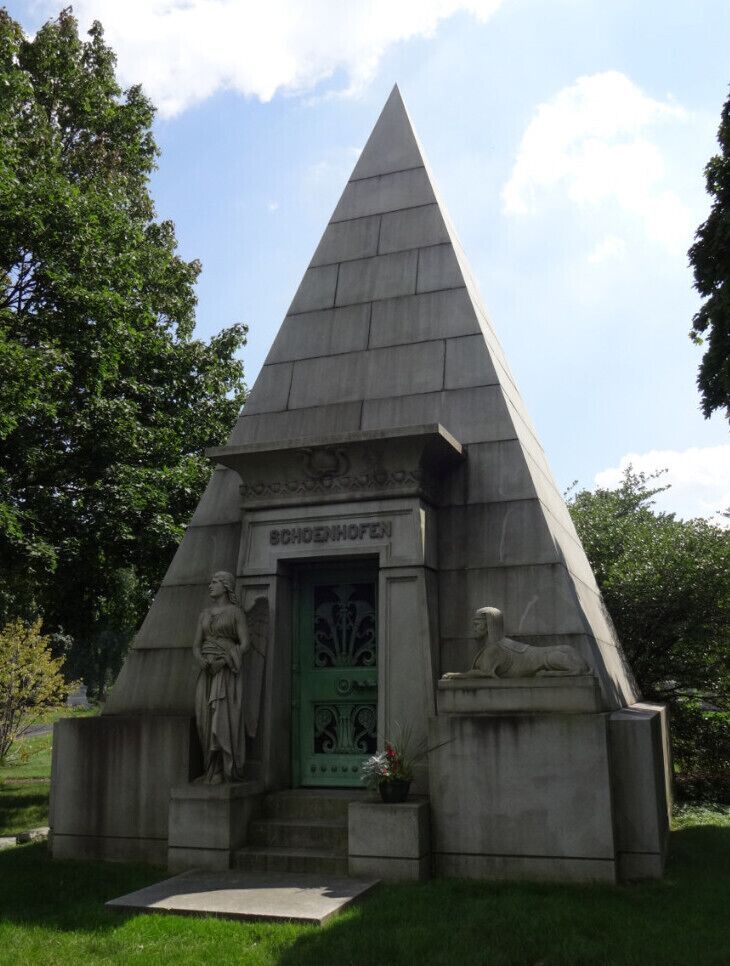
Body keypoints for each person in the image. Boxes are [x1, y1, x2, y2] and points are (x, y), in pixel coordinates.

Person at [193, 571, 250, 782]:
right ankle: (209, 766)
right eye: (211, 582)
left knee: (222, 719)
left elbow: (245, 643)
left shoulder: (236, 613)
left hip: (225, 672)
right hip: (207, 671)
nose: (210, 585)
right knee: (204, 719)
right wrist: (200, 659)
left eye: (215, 582)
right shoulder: (204, 614)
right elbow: (196, 645)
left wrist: (225, 661)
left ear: (226, 586)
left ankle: (222, 769)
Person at [443, 606, 589, 678]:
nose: (474, 628)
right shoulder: (497, 647)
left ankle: (573, 671)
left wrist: (458, 676)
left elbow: (485, 673)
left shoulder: (494, 649)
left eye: (477, 624)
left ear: (489, 625)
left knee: (550, 657)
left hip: (552, 656)